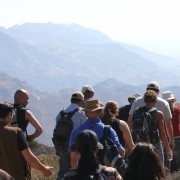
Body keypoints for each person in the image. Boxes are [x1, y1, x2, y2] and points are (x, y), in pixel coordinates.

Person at [0, 102, 53, 179]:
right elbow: (29, 158)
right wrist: (44, 169)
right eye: (13, 114)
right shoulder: (16, 132)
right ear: (9, 114)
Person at [69, 99, 125, 170]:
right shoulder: (108, 130)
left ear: (85, 113)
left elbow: (73, 159)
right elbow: (121, 151)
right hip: (105, 172)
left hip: (84, 172)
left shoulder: (76, 131)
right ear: (99, 112)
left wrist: (77, 174)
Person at [127, 82, 174, 164]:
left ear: (144, 99)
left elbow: (129, 122)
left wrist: (128, 143)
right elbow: (164, 130)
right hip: (155, 144)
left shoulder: (137, 104)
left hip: (139, 144)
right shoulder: (162, 107)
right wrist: (168, 147)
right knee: (158, 171)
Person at [55, 91, 87, 180]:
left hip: (62, 145)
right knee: (77, 171)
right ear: (81, 101)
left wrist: (57, 147)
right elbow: (85, 130)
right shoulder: (80, 113)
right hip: (76, 147)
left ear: (71, 100)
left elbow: (57, 130)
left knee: (63, 171)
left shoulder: (61, 113)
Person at [162, 91, 180, 171]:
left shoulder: (160, 112)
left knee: (169, 161)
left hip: (166, 139)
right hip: (177, 137)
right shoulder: (177, 110)